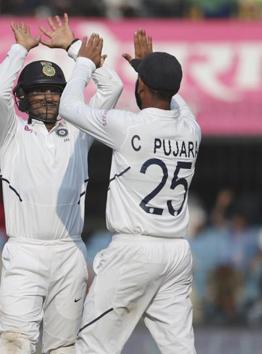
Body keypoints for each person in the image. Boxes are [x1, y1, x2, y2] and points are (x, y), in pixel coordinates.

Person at [0, 16, 123, 353]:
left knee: (63, 346)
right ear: (23, 98)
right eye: (39, 91)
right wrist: (20, 50)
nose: (48, 98)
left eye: (55, 91)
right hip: (24, 252)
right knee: (16, 343)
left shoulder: (80, 132)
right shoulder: (11, 134)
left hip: (70, 252)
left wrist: (74, 48)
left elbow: (113, 88)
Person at [59, 30, 200, 354]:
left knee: (93, 346)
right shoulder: (192, 129)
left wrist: (83, 61)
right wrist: (145, 69)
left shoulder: (127, 125)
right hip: (176, 252)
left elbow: (68, 106)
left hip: (133, 251)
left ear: (142, 87)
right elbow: (174, 101)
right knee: (180, 348)